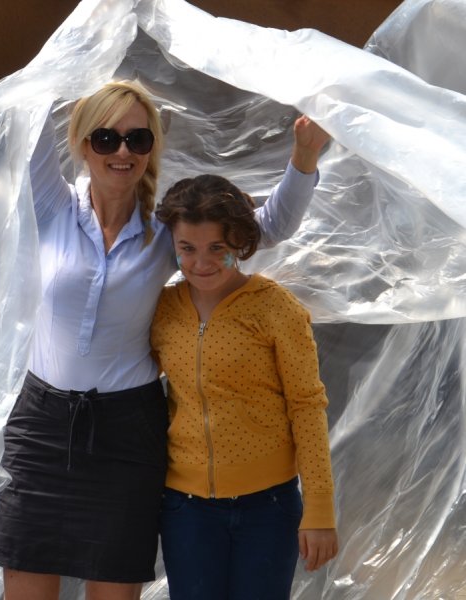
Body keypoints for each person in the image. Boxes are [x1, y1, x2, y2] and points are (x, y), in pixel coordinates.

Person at [0, 79, 331, 600]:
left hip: (128, 432)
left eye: (138, 139)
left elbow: (267, 227)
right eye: (106, 138)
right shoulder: (53, 204)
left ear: (151, 148)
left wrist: (303, 158)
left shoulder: (166, 233)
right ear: (82, 144)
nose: (122, 151)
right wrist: (76, 56)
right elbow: (28, 102)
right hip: (43, 427)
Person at [150, 174, 338, 600]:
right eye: (187, 248)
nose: (202, 262)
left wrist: (320, 509)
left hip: (268, 507)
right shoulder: (161, 310)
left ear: (241, 242)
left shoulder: (276, 308)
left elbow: (307, 406)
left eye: (217, 247)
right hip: (185, 509)